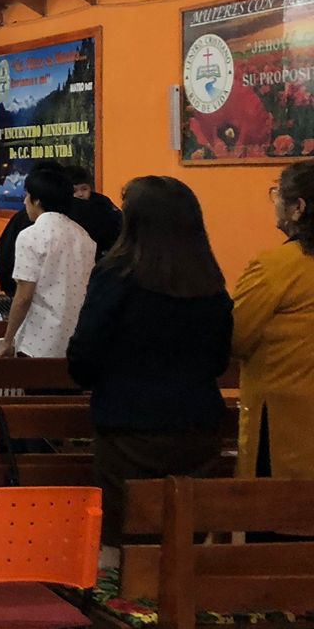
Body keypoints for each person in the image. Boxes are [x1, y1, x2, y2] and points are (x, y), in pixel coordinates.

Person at [66, 177, 232, 549]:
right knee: (184, 539)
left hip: (128, 426)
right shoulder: (209, 282)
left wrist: (93, 380)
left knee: (126, 538)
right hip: (197, 427)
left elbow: (86, 352)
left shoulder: (116, 276)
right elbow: (219, 360)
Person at [233, 159, 314, 480]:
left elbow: (236, 337)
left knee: (277, 506)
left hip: (285, 421)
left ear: (298, 208)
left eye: (277, 194)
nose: (275, 202)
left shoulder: (275, 266)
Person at [1, 164, 97, 358]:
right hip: (77, 340)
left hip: (37, 342)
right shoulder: (83, 236)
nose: (25, 202)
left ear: (37, 200)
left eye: (27, 196)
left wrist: (7, 340)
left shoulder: (30, 235)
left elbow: (24, 297)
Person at [0, 160, 120, 294]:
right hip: (92, 292)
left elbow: (5, 263)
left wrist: (13, 294)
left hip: (35, 299)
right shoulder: (97, 211)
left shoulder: (25, 223)